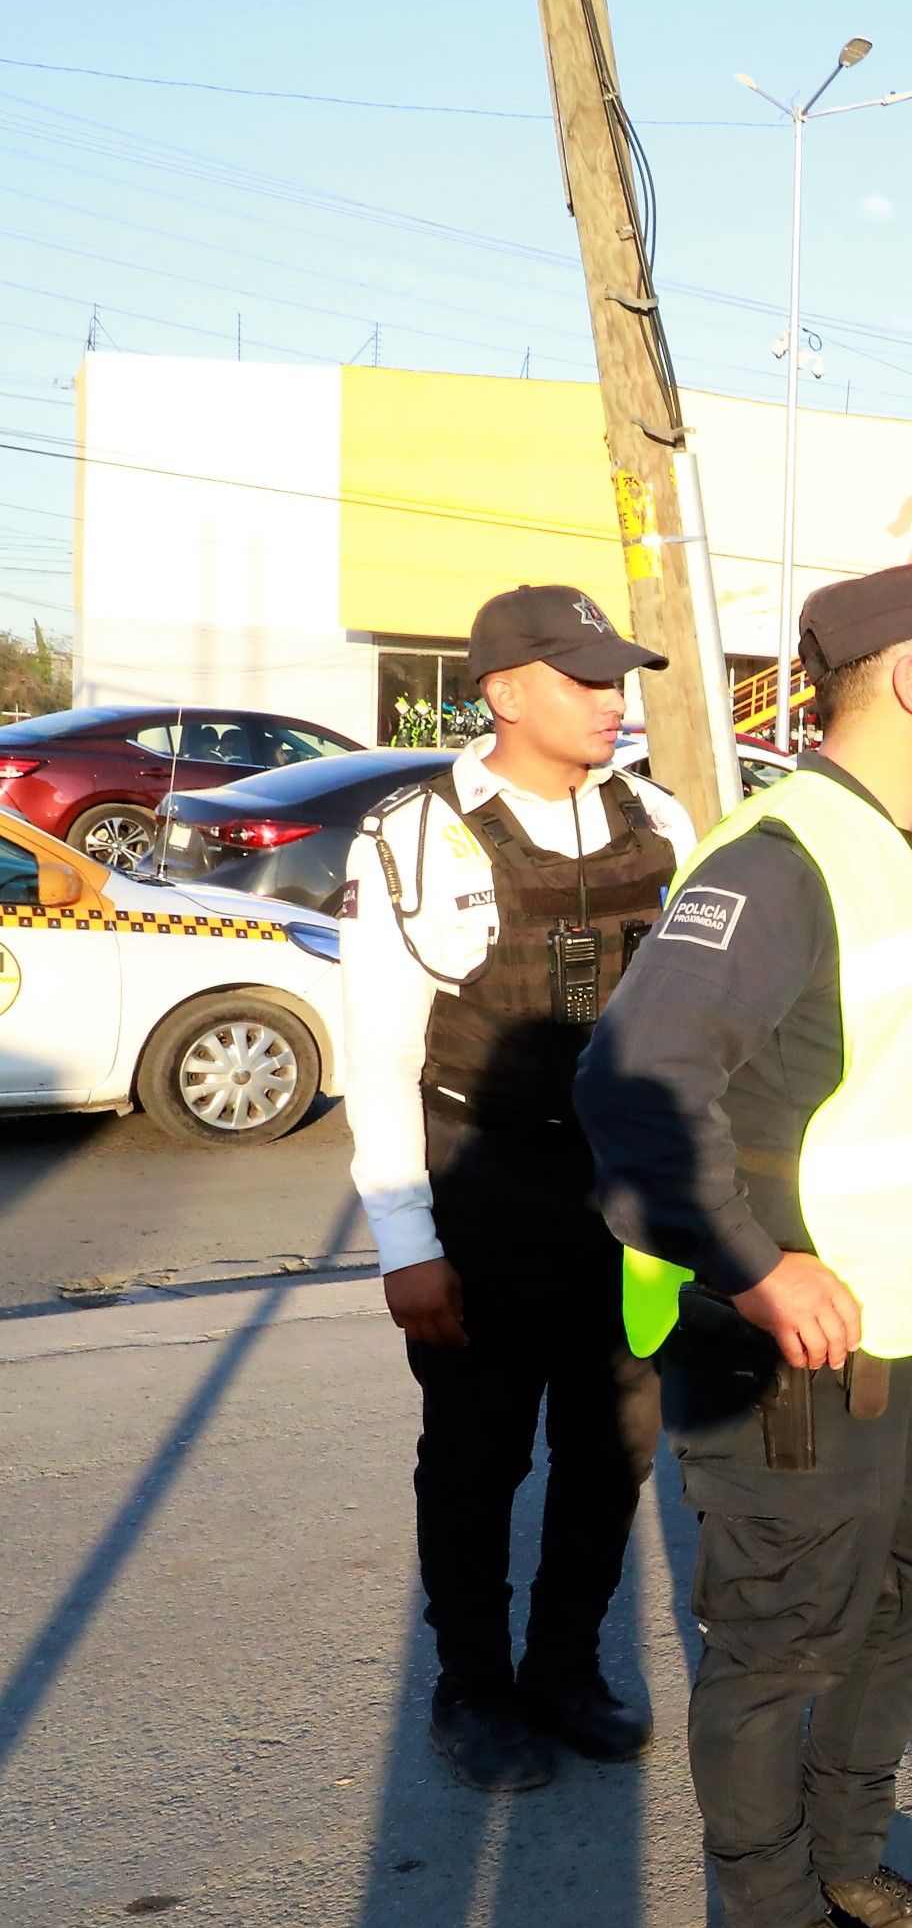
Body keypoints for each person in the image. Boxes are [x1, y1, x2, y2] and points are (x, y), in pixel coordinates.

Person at [575, 561, 912, 1928]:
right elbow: (633, 1086)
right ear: (911, 680)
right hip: (803, 1354)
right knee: (782, 1639)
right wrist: (756, 1264)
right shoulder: (779, 860)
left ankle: (846, 1868)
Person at [343, 583, 696, 1792]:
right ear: (503, 690)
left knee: (615, 1444)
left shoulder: (663, 818)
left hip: (628, 1192)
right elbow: (383, 1056)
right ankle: (473, 1686)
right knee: (478, 1454)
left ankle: (564, 1664)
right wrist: (406, 1241)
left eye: (618, 677)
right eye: (585, 677)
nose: (613, 698)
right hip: (487, 1182)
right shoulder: (413, 837)